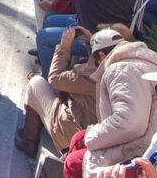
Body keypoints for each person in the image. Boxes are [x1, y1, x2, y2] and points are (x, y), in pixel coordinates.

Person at [62, 39, 157, 178]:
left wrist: (91, 136)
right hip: (143, 136)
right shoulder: (141, 62)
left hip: (141, 145)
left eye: (94, 63)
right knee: (78, 138)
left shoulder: (121, 70)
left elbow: (130, 124)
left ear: (102, 56)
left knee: (73, 162)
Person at [16, 26, 119, 157]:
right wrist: (92, 41)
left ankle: (28, 142)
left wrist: (64, 46)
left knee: (36, 83)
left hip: (74, 138)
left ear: (102, 56)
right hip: (98, 134)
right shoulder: (123, 71)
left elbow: (54, 78)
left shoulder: (94, 77)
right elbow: (99, 59)